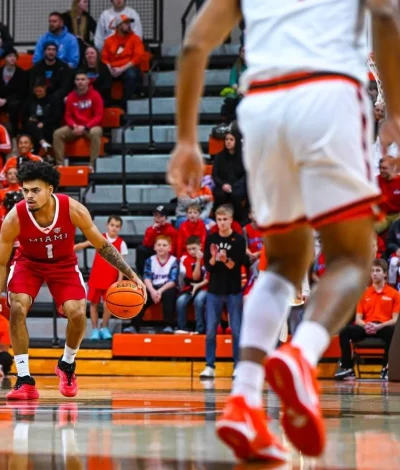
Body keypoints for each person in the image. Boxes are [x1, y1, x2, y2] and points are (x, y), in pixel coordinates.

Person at [168, 0, 400, 460]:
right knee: (352, 259)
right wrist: (394, 114)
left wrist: (186, 140)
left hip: (263, 108)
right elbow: (388, 17)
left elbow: (194, 44)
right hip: (329, 94)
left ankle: (244, 399)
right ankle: (301, 353)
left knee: (282, 264)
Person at [0, 161, 142, 400]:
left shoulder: (73, 209)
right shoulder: (14, 217)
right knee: (16, 306)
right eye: (25, 191)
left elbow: (102, 245)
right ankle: (24, 379)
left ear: (50, 190)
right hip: (29, 264)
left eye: (35, 190)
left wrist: (131, 275)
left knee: (78, 312)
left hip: (63, 264)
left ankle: (67, 364)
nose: (29, 196)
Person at [200, 205, 246, 378]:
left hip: (234, 289)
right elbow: (207, 266)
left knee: (236, 330)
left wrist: (225, 259)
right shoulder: (211, 239)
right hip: (214, 290)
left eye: (225, 219)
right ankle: (210, 365)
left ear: (231, 220)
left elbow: (237, 265)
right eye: (219, 220)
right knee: (211, 330)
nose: (222, 223)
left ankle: (238, 366)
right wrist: (213, 257)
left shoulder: (239, 240)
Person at [335, 259, 397, 381]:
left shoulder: (394, 294)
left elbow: (395, 319)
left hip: (383, 326)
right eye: (372, 271)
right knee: (345, 332)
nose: (374, 273)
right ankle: (348, 368)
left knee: (392, 333)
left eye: (378, 271)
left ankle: (386, 368)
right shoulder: (364, 294)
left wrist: (379, 326)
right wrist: (366, 325)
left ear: (385, 274)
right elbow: (358, 319)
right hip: (366, 326)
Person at [74, 215, 128, 340]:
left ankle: (104, 327)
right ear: (107, 225)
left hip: (111, 279)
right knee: (93, 304)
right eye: (112, 225)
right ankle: (95, 330)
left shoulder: (121, 243)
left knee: (107, 305)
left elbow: (122, 266)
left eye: (117, 226)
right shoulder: (100, 238)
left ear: (120, 228)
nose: (114, 228)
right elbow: (84, 244)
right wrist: (71, 248)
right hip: (97, 277)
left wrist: (119, 281)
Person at [124, 236, 179, 334]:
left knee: (169, 294)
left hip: (166, 288)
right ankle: (133, 326)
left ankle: (168, 325)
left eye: (164, 245)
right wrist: (153, 291)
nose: (161, 247)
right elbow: (147, 278)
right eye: (159, 245)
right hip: (152, 287)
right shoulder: (150, 260)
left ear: (169, 248)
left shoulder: (174, 261)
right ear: (154, 247)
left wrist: (159, 291)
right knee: (141, 295)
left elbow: (173, 281)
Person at [53, 70, 104, 170]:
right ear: (75, 82)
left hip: (91, 127)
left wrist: (85, 127)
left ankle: (92, 164)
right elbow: (68, 116)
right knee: (57, 134)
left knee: (96, 133)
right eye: (77, 79)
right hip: (75, 127)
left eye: (82, 79)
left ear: (88, 81)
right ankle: (60, 164)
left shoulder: (95, 95)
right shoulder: (71, 96)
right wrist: (74, 126)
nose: (80, 82)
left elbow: (99, 116)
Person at [101, 14, 149, 104]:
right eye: (126, 23)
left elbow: (138, 57)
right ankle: (107, 103)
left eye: (129, 23)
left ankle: (125, 104)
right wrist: (110, 69)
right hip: (112, 69)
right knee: (102, 74)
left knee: (131, 74)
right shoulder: (109, 41)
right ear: (119, 26)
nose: (128, 25)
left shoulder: (135, 39)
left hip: (128, 68)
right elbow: (104, 58)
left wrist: (121, 69)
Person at [211, 131, 248, 224]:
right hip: (222, 185)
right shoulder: (219, 156)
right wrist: (223, 185)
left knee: (236, 196)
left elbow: (245, 175)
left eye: (231, 139)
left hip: (238, 186)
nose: (228, 142)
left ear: (237, 141)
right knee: (220, 195)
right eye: (227, 139)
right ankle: (220, 220)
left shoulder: (243, 156)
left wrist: (234, 185)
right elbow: (215, 175)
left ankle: (238, 222)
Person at [0, 49, 28, 137]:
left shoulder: (21, 73)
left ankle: (13, 134)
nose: (12, 58)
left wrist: (6, 100)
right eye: (10, 56)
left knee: (15, 106)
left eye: (14, 56)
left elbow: (22, 93)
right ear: (4, 59)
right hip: (1, 99)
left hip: (14, 100)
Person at [177, 236, 208, 334]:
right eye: (189, 249)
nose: (192, 251)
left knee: (198, 301)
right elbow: (194, 278)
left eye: (194, 248)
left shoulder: (208, 257)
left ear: (201, 246)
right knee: (180, 301)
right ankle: (182, 328)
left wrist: (199, 260)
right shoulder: (185, 259)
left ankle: (200, 329)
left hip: (205, 287)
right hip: (190, 286)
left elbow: (208, 278)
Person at [24, 77, 62, 154]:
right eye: (36, 91)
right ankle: (42, 141)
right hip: (33, 126)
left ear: (45, 88)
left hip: (48, 126)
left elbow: (56, 116)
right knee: (31, 126)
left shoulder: (53, 100)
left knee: (38, 132)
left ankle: (38, 152)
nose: (38, 93)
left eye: (40, 91)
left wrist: (44, 123)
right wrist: (30, 118)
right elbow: (24, 116)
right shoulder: (30, 100)